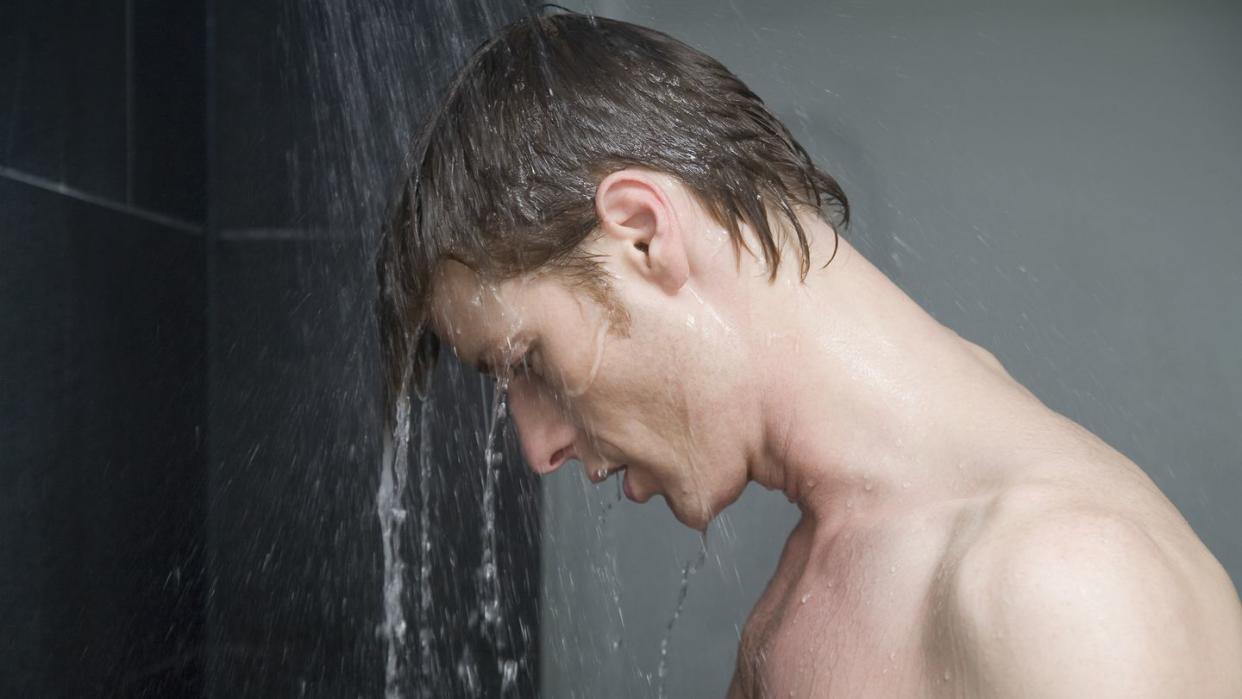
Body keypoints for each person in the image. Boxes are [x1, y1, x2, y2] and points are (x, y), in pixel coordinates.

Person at [376, 10, 1242, 697]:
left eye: (527, 359)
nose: (537, 446)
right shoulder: (839, 555)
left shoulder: (1067, 591)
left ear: (643, 234)